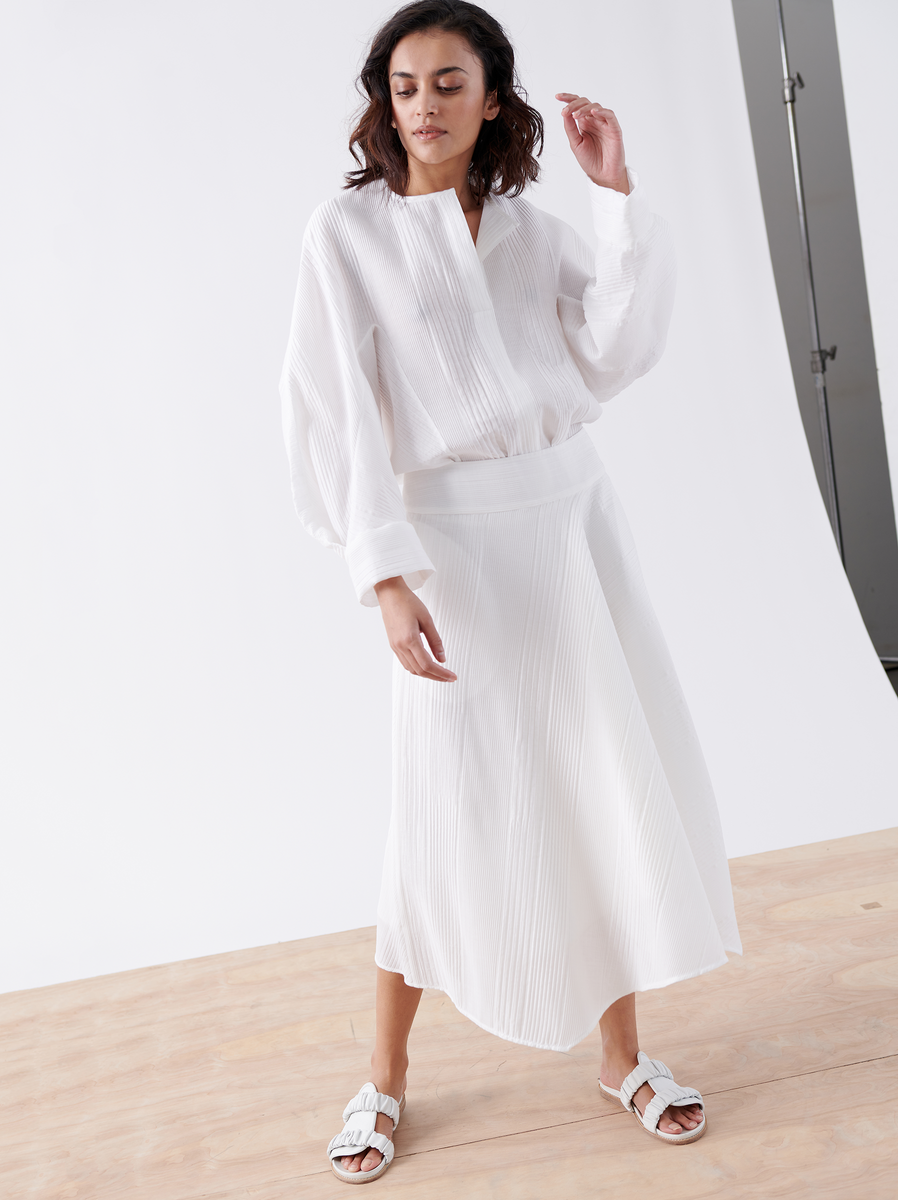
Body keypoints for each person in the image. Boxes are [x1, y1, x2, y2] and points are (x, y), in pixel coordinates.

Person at [279, 0, 741, 1183]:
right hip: (453, 548)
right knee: (443, 811)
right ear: (383, 103)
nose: (422, 106)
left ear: (493, 98)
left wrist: (617, 193)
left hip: (572, 526)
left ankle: (623, 1056)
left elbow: (616, 350)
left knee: (594, 776)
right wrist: (385, 577)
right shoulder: (351, 236)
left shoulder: (534, 229)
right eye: (403, 86)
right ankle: (383, 1081)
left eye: (447, 83)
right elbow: (332, 417)